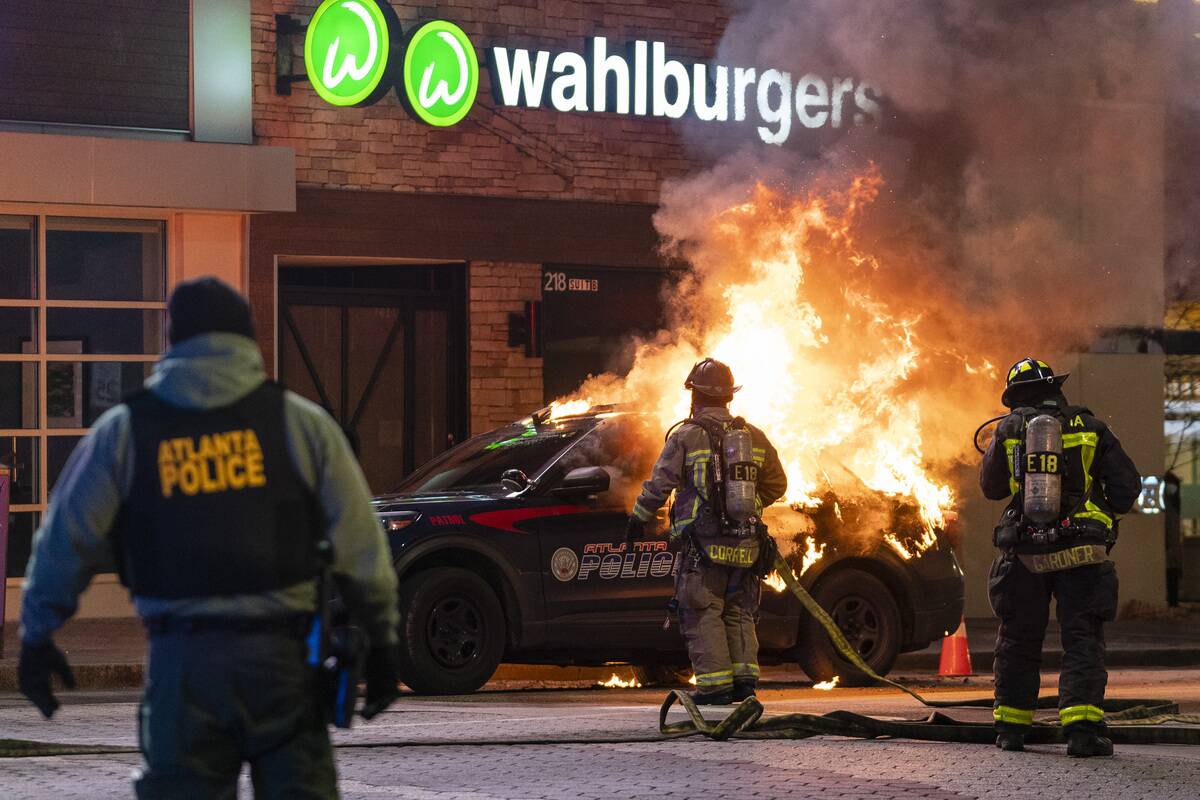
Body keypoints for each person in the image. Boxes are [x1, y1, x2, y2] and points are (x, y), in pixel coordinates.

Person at [18, 277, 401, 799]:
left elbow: (66, 539)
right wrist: (382, 638)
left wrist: (37, 635)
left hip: (182, 665)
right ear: (248, 340)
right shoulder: (300, 424)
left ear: (173, 340)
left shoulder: (127, 429)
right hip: (282, 663)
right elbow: (361, 543)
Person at [980, 357, 1140, 758]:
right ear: (1056, 388)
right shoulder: (1091, 428)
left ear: (1015, 397)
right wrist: (1098, 515)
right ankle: (1082, 733)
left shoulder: (1010, 429)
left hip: (1025, 552)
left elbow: (992, 488)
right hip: (1081, 552)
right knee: (1082, 638)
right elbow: (1126, 487)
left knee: (1018, 638)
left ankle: (1012, 730)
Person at [627, 358, 787, 704]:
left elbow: (661, 482)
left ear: (695, 396)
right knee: (739, 612)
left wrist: (639, 516)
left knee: (702, 610)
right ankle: (744, 682)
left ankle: (715, 686)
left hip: (705, 545)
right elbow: (778, 483)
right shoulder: (754, 437)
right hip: (746, 544)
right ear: (729, 397)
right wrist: (748, 505)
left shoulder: (686, 435)